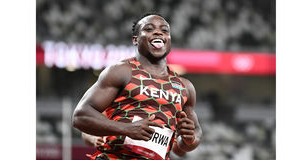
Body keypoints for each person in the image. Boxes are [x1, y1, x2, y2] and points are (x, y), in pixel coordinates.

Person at [72, 12, 202, 160]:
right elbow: (80, 116)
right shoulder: (121, 71)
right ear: (135, 39)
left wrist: (188, 139)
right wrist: (126, 129)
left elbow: (183, 147)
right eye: (149, 29)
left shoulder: (185, 87)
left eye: (164, 30)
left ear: (169, 39)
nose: (158, 32)